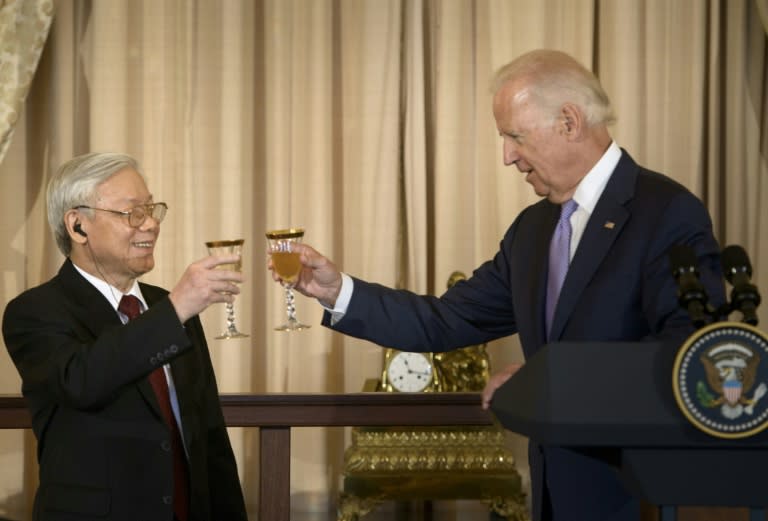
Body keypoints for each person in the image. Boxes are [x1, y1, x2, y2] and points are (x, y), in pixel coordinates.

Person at [269, 50, 725, 521]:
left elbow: (689, 357)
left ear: (569, 121)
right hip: (550, 497)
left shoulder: (666, 212)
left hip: (635, 499)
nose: (507, 156)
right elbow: (447, 320)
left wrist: (551, 379)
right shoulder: (531, 230)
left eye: (514, 136)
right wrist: (334, 289)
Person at [3, 152, 248, 521]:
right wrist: (176, 310)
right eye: (132, 213)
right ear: (78, 226)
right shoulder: (35, 311)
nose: (150, 224)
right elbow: (81, 379)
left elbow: (209, 437)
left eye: (152, 209)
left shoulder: (166, 306)